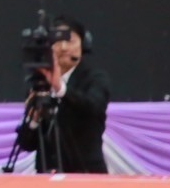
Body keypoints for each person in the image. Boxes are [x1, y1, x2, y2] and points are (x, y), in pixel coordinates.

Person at [13, 16, 110, 174]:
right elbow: (26, 144)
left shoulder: (95, 78)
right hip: (47, 176)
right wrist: (33, 120)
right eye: (57, 42)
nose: (64, 47)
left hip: (85, 174)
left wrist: (60, 88)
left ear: (83, 44)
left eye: (70, 41)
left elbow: (93, 107)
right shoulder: (39, 83)